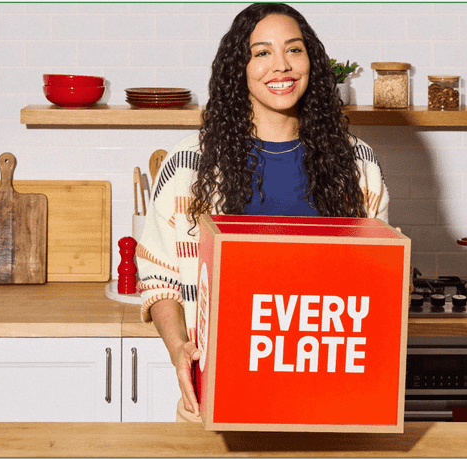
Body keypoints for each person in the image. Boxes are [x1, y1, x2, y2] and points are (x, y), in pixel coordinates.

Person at [135, 2, 389, 419]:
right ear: (240, 67)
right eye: (262, 52)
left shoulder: (357, 165)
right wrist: (179, 347)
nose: (281, 66)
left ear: (312, 61)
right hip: (219, 389)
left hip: (330, 391)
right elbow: (159, 275)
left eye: (294, 50)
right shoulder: (188, 167)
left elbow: (372, 278)